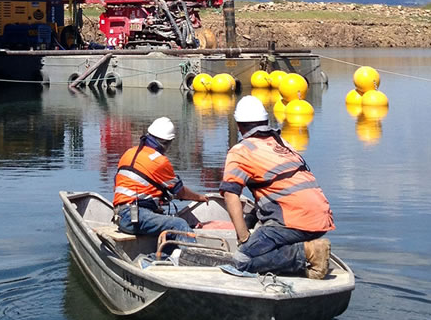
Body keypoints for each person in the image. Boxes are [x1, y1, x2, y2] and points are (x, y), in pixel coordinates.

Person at [219, 96, 334, 279]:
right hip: (320, 219)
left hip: (293, 221)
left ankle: (307, 252)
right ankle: (305, 263)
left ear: (240, 126)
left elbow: (231, 195)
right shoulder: (282, 143)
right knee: (256, 225)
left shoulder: (241, 151)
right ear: (265, 121)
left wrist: (243, 237)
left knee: (241, 260)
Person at [112, 117, 216, 243]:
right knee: (179, 225)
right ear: (167, 142)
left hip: (121, 214)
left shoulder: (129, 153)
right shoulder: (159, 161)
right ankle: (192, 258)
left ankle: (162, 257)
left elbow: (126, 184)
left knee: (167, 227)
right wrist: (199, 197)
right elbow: (180, 192)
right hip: (134, 216)